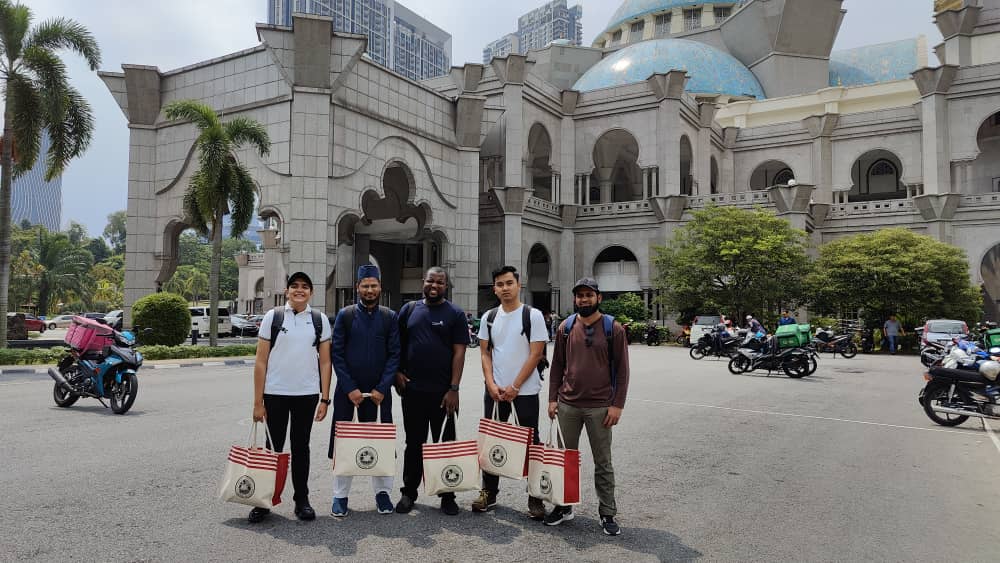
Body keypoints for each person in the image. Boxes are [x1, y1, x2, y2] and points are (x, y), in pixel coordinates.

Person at [546, 277, 630, 536]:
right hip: (568, 405)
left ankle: (607, 513)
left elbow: (623, 370)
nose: (584, 299)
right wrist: (552, 398)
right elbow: (557, 365)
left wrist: (617, 405)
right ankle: (564, 505)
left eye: (589, 295)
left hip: (600, 408)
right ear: (575, 299)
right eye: (580, 295)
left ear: (598, 298)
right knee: (564, 460)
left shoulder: (613, 328)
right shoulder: (565, 327)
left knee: (603, 462)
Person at [249, 272, 332, 523]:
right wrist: (257, 402)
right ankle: (263, 501)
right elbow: (261, 361)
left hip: (306, 395)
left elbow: (326, 361)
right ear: (287, 291)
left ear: (311, 292)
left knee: (301, 448)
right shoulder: (273, 317)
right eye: (294, 286)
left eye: (305, 287)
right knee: (272, 449)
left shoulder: (319, 320)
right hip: (275, 394)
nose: (299, 290)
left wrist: (325, 398)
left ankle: (302, 500)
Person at [471, 266, 549, 519]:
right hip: (495, 391)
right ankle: (489, 492)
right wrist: (491, 384)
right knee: (492, 440)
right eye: (499, 284)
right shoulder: (489, 317)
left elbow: (536, 353)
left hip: (524, 391)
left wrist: (515, 386)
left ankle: (535, 497)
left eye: (508, 283)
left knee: (531, 443)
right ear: (494, 288)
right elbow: (485, 352)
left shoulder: (532, 315)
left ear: (519, 285)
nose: (504, 288)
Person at [394, 266, 470, 515]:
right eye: (430, 281)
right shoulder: (409, 310)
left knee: (445, 445)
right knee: (414, 443)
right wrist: (397, 372)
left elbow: (460, 352)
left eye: (439, 282)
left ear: (446, 286)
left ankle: (447, 494)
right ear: (422, 282)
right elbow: (397, 345)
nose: (434, 285)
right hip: (413, 391)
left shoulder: (455, 313)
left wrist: (454, 388)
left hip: (444, 394)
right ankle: (409, 493)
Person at [328, 265, 400, 517]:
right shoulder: (345, 315)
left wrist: (382, 388)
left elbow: (394, 356)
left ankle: (383, 493)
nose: (369, 290)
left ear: (380, 287)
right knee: (344, 443)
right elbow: (336, 353)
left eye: (374, 285)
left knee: (379, 441)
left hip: (379, 394)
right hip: (348, 392)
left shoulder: (390, 317)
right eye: (365, 286)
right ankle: (340, 495)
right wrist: (350, 388)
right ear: (357, 288)